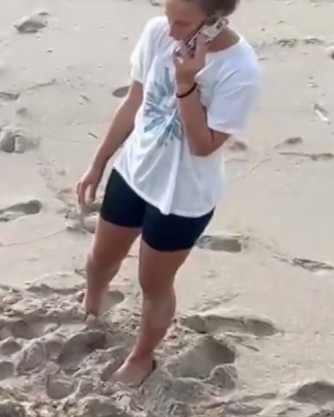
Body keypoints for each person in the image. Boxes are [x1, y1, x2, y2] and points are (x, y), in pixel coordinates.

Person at [76, 0, 260, 386]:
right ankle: (92, 306)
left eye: (182, 22)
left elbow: (203, 145)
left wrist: (187, 84)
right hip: (134, 172)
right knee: (99, 260)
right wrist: (99, 162)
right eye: (167, 15)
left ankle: (142, 358)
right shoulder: (156, 32)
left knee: (153, 285)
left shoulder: (240, 69)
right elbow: (134, 101)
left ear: (214, 19)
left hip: (183, 197)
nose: (170, 30)